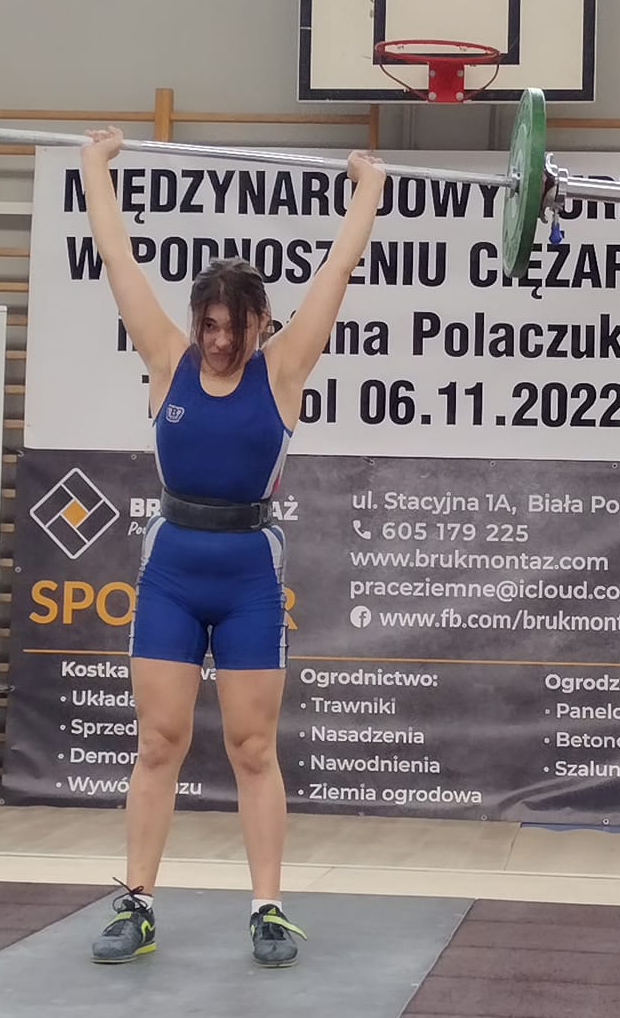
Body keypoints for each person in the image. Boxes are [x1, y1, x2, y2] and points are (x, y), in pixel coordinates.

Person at [75, 126, 387, 968]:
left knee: (252, 748)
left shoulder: (282, 370)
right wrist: (94, 168)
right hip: (173, 570)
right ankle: (138, 903)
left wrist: (367, 187)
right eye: (208, 324)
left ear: (261, 323)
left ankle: (268, 909)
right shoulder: (166, 358)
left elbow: (337, 273)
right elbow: (117, 259)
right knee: (159, 742)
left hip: (248, 573)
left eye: (233, 325)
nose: (218, 339)